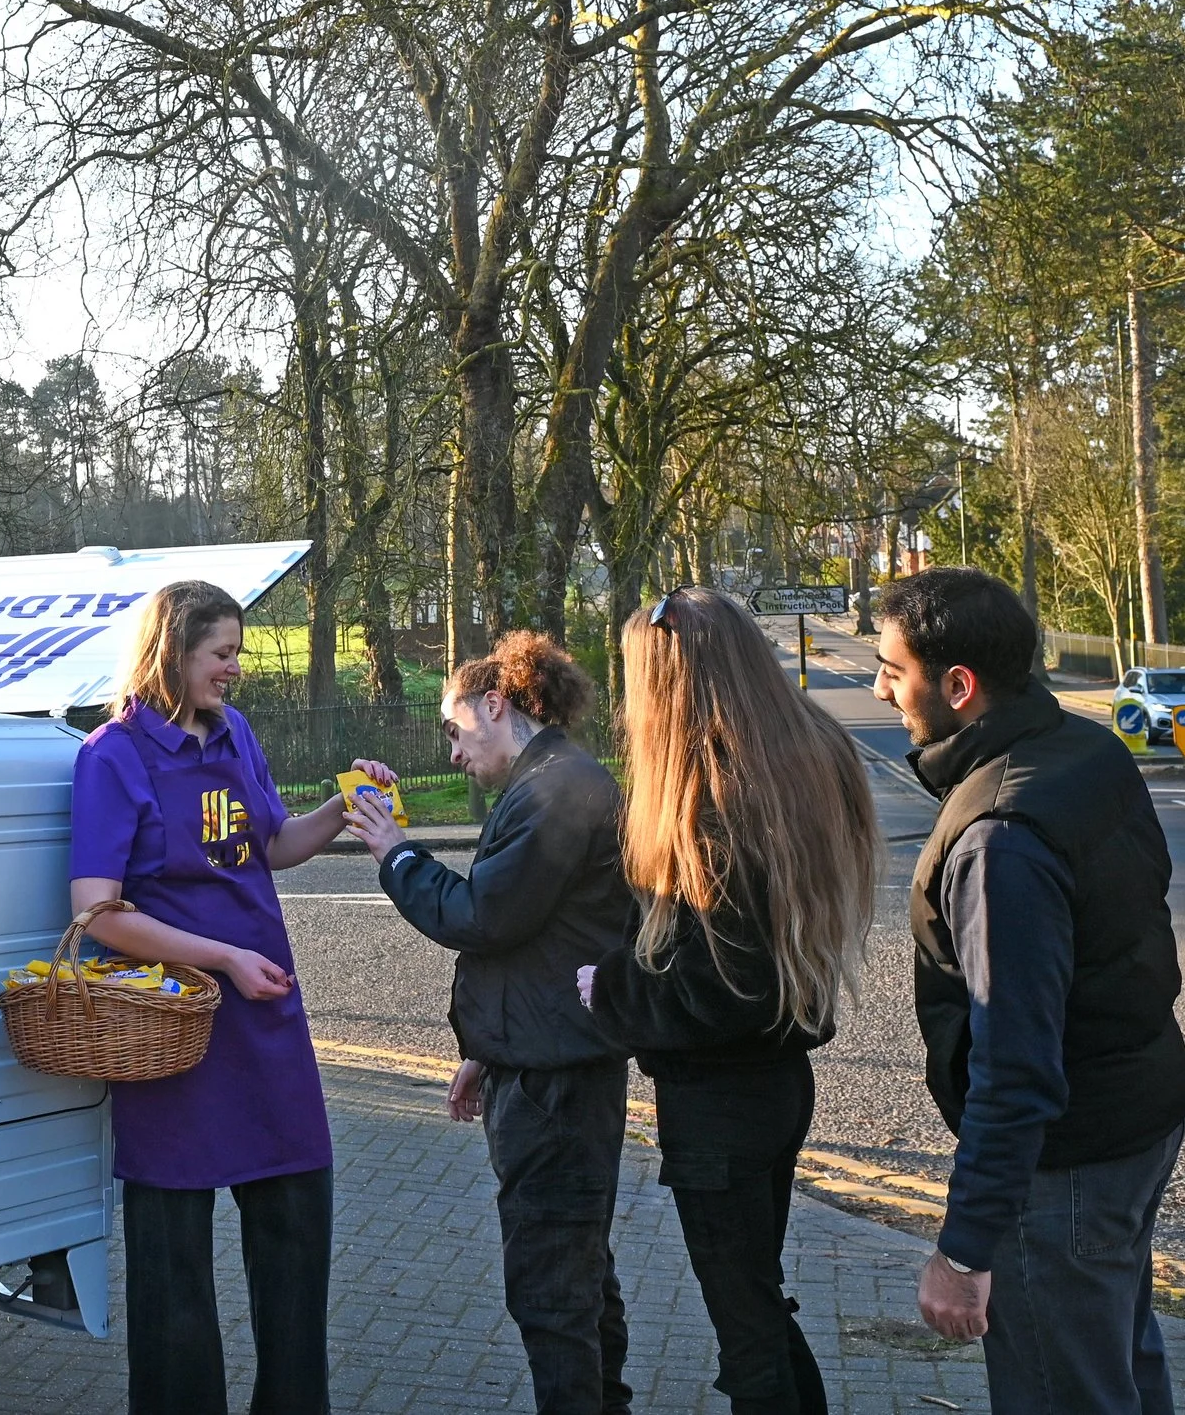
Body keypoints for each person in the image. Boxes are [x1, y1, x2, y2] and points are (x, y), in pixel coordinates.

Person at [872, 567, 1185, 1414]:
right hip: (1135, 1115)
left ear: (958, 686)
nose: (880, 688)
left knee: (1065, 1390)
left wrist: (966, 1250)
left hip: (1065, 1166)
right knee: (1119, 1362)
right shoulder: (1083, 750)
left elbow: (1016, 1062)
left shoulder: (1001, 838)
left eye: (892, 670)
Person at [580, 586, 880, 1415]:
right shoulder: (803, 749)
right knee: (758, 1297)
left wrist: (608, 986)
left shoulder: (713, 790)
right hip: (781, 1082)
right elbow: (758, 968)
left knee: (743, 1321)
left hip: (718, 1103)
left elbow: (723, 984)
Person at [68, 579, 352, 1415]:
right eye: (221, 654)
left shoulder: (237, 734)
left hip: (264, 1021)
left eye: (237, 652)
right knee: (172, 1277)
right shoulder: (113, 756)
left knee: (297, 1239)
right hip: (172, 1033)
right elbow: (96, 912)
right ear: (173, 651)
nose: (235, 669)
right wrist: (222, 957)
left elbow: (272, 844)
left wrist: (341, 809)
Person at [344, 630, 636, 1415]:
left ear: (495, 704)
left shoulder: (554, 791)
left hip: (556, 1087)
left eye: (453, 728)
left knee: (552, 1291)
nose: (453, 752)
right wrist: (487, 1049)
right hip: (543, 1065)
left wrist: (397, 853)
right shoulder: (552, 782)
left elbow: (483, 917)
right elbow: (533, 943)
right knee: (575, 1274)